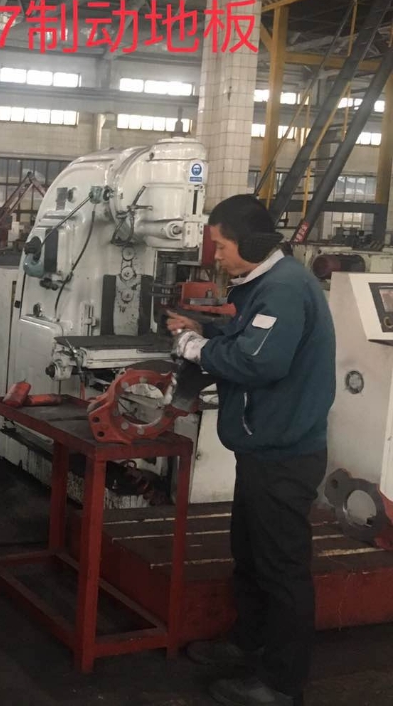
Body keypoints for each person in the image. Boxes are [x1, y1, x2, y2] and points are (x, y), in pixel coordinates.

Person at [166, 195, 335, 706]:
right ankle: (249, 644)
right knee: (251, 555)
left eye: (221, 245)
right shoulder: (262, 285)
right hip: (261, 448)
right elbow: (245, 336)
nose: (215, 255)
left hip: (285, 455)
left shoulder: (283, 289)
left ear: (254, 243)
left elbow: (260, 362)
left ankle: (282, 684)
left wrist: (197, 349)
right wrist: (205, 330)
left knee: (281, 569)